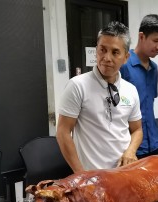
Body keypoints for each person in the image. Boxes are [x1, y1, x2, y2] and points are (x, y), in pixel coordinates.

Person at [56, 21, 143, 172]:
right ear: (96, 50)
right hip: (91, 176)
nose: (107, 58)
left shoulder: (131, 90)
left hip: (123, 173)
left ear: (126, 57)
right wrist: (81, 175)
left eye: (115, 52)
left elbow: (137, 130)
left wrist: (131, 151)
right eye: (102, 50)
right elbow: (63, 132)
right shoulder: (77, 86)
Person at [120, 14, 158, 158]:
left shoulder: (154, 69)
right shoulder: (124, 65)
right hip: (130, 148)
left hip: (153, 145)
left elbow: (148, 107)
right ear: (141, 36)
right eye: (156, 41)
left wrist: (154, 138)